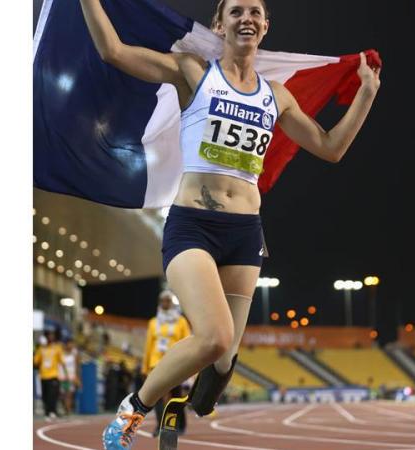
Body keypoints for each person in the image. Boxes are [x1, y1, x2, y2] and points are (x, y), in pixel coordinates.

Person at [79, 0, 381, 448]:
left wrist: (366, 94)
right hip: (192, 226)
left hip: (245, 235)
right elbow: (114, 51)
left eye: (255, 12)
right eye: (236, 11)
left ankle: (189, 402)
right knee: (215, 337)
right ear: (219, 25)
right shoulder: (193, 72)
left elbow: (331, 147)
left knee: (220, 367)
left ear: (265, 27)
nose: (247, 18)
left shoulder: (276, 95)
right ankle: (133, 409)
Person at [141, 290, 192, 437]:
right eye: (163, 301)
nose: (165, 303)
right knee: (156, 396)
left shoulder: (181, 321)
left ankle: (180, 425)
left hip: (175, 362)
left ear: (172, 303)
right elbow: (148, 346)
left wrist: (187, 364)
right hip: (156, 363)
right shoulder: (153, 322)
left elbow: (187, 342)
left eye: (168, 301)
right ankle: (160, 426)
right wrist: (145, 368)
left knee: (176, 395)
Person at [33, 330, 67, 421]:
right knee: (45, 395)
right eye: (49, 336)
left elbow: (62, 361)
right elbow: (35, 361)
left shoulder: (57, 348)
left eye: (52, 336)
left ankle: (52, 412)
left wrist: (65, 374)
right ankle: (47, 412)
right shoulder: (41, 349)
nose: (50, 337)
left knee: (53, 395)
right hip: (43, 375)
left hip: (54, 375)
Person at [60, 339, 81, 415]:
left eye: (72, 344)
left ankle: (68, 411)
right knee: (62, 395)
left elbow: (77, 366)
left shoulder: (74, 354)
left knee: (69, 395)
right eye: (69, 344)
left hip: (71, 377)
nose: (71, 345)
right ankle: (65, 408)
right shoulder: (61, 353)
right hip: (62, 376)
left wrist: (77, 377)